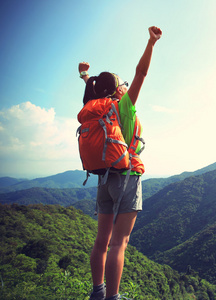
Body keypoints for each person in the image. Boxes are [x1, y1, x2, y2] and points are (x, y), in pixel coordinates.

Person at [78, 26, 162, 300]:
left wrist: (85, 77)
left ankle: (98, 292)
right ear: (117, 91)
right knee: (119, 243)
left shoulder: (97, 108)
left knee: (101, 241)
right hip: (126, 177)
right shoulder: (122, 106)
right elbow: (142, 73)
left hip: (102, 177)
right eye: (122, 84)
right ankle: (113, 298)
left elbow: (93, 90)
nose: (127, 85)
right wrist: (151, 43)